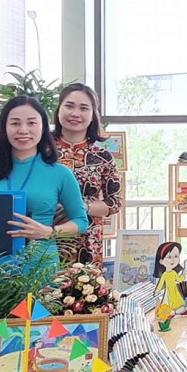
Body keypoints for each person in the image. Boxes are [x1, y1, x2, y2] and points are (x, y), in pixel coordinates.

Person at [0, 96, 89, 270]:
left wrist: (48, 232)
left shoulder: (60, 173)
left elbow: (80, 221)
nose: (23, 130)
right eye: (15, 123)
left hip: (39, 267)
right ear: (4, 128)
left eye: (32, 123)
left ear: (43, 127)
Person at [52, 82, 124, 264]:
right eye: (69, 106)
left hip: (88, 240)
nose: (75, 113)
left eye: (84, 108)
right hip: (45, 238)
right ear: (59, 110)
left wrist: (82, 206)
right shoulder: (41, 152)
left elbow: (115, 202)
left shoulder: (103, 156)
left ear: (93, 115)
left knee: (84, 282)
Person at [154, 240, 185, 323]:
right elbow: (160, 283)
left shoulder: (174, 272)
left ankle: (178, 310)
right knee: (168, 302)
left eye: (176, 256)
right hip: (168, 290)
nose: (173, 260)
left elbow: (178, 279)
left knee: (178, 301)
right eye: (169, 257)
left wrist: (184, 274)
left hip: (175, 290)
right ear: (161, 261)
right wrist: (157, 290)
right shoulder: (164, 274)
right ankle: (170, 311)